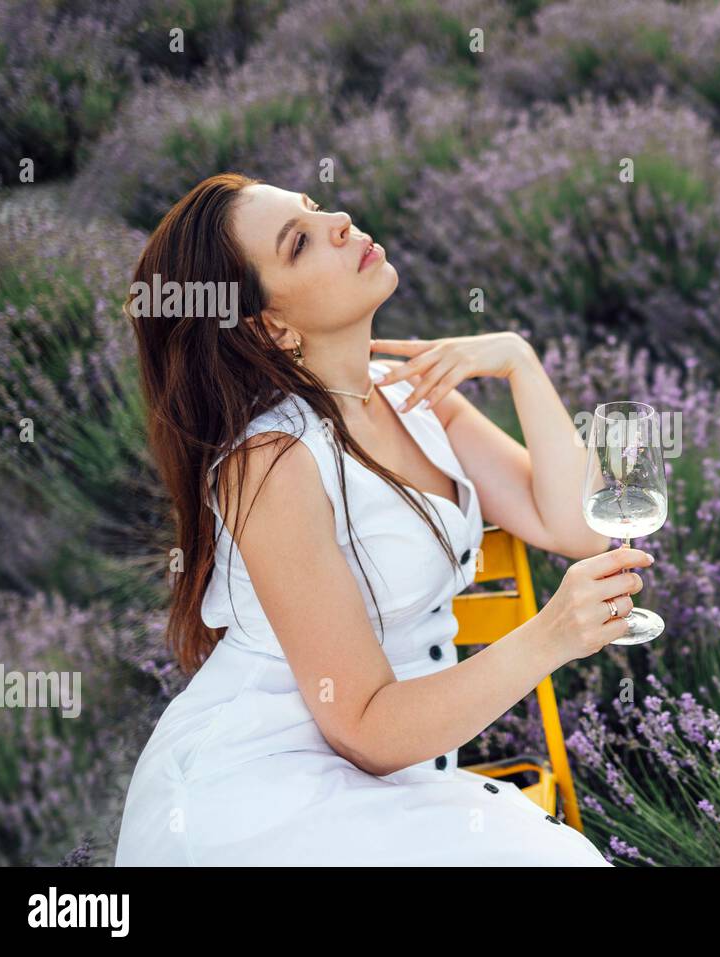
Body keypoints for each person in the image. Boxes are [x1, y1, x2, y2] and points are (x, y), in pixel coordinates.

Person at [115, 172, 648, 865]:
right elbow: (362, 724)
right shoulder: (272, 462)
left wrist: (518, 360)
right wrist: (549, 635)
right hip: (270, 788)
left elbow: (577, 526)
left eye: (314, 207)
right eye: (299, 242)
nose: (339, 219)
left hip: (390, 776)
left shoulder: (415, 397)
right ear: (271, 324)